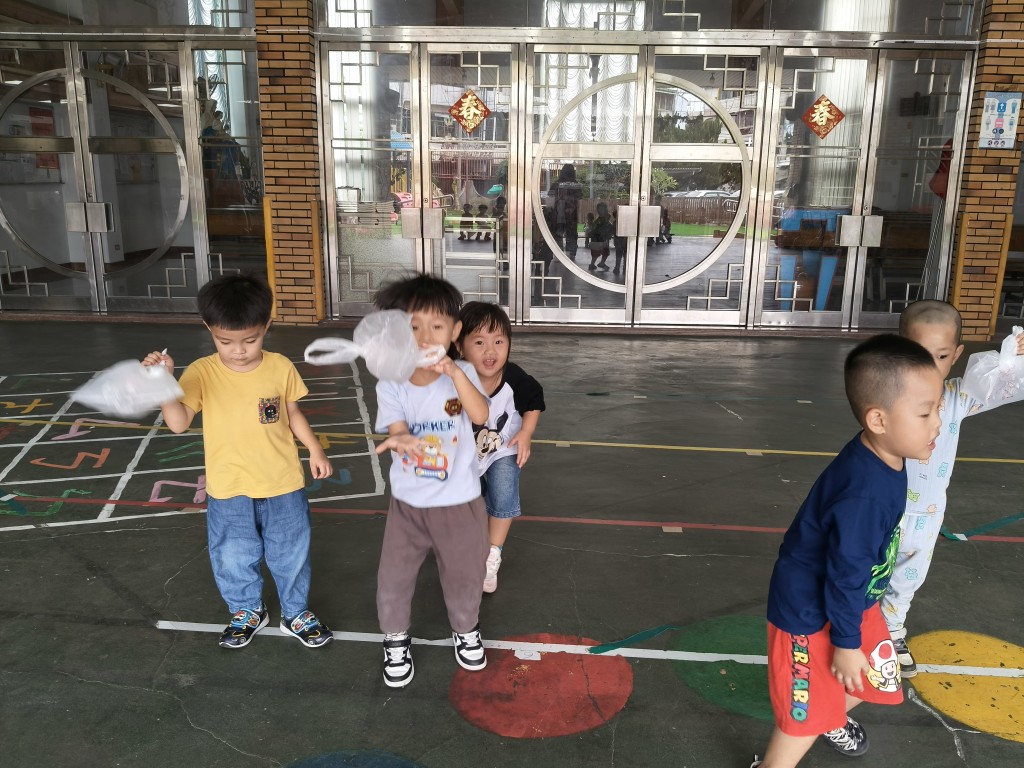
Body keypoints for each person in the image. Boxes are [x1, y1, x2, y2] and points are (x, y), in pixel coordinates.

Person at [751, 334, 943, 768]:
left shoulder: (887, 454)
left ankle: (829, 714)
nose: (936, 423)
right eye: (925, 412)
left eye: (938, 409)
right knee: (802, 718)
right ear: (878, 419)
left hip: (854, 602)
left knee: (878, 675)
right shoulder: (864, 494)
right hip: (808, 611)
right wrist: (846, 642)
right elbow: (844, 572)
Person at [142, 274, 333, 650]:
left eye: (250, 340)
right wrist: (164, 383)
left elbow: (292, 413)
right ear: (208, 329)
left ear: (266, 325)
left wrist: (315, 449)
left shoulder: (280, 367)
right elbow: (178, 423)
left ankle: (295, 612)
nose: (239, 351)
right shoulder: (202, 372)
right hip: (229, 487)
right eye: (225, 341)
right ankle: (247, 610)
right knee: (232, 553)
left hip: (282, 482)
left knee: (291, 550)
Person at [880, 300, 1024, 676]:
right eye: (918, 352)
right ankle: (856, 632)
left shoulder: (958, 397)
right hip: (882, 509)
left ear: (957, 355)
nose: (930, 364)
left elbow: (1003, 387)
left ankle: (892, 632)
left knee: (908, 578)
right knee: (866, 572)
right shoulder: (884, 392)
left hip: (927, 516)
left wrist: (1011, 359)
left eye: (941, 355)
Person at [372, 274, 492, 688]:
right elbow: (396, 425)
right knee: (394, 576)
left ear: (454, 332)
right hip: (408, 504)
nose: (424, 337)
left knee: (464, 574)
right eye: (412, 327)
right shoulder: (390, 382)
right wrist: (401, 437)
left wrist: (455, 374)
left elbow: (480, 415)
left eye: (436, 326)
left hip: (460, 502)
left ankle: (466, 628)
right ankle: (395, 637)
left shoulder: (464, 372)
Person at [457, 302, 545, 593]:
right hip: (463, 455)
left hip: (503, 448)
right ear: (459, 346)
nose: (490, 351)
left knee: (504, 493)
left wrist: (526, 432)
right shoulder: (454, 376)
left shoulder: (513, 377)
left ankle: (492, 555)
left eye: (498, 342)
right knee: (466, 505)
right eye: (479, 342)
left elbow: (534, 399)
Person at [548, 163, 583, 257]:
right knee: (571, 235)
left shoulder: (556, 184)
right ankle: (571, 254)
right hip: (572, 214)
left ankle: (558, 254)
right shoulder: (576, 185)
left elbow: (550, 197)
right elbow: (580, 198)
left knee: (558, 234)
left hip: (558, 213)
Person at [588, 202, 614, 271]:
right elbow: (598, 228)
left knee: (605, 252)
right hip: (597, 240)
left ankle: (600, 263)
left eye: (603, 209)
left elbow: (607, 225)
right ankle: (593, 264)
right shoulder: (600, 220)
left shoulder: (602, 219)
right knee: (596, 253)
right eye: (600, 210)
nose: (601, 211)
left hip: (601, 240)